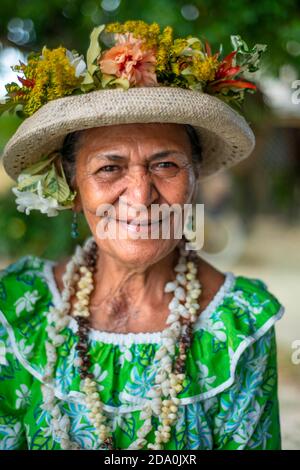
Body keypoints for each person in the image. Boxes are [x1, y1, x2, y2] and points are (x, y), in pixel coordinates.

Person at [0, 20, 284, 450]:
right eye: (109, 168)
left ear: (194, 181)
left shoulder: (239, 325)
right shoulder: (19, 308)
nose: (140, 195)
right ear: (73, 189)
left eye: (165, 165)